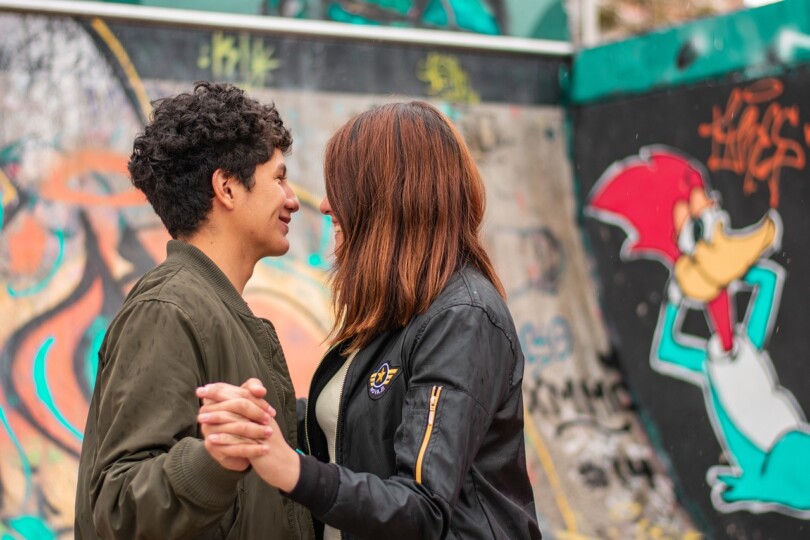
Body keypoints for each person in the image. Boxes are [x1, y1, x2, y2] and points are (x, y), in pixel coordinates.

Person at [199, 101, 542, 539]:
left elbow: (422, 507)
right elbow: (347, 428)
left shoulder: (463, 317)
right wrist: (247, 416)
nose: (324, 205)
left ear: (386, 197)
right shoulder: (395, 312)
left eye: (340, 188)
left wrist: (293, 470)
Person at [74, 81, 314, 540]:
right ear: (226, 187)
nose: (293, 199)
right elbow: (119, 508)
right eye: (278, 177)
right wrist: (214, 462)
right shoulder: (168, 310)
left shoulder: (213, 308)